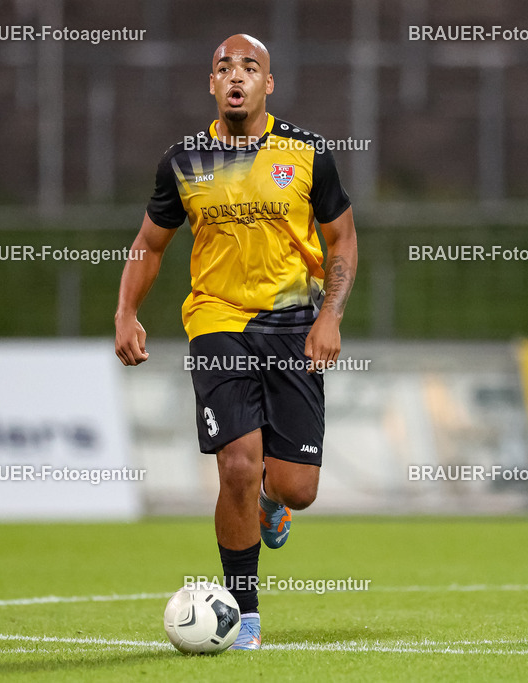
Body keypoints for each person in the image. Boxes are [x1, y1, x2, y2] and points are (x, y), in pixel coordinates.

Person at [114, 33, 358, 651]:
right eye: (224, 66)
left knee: (296, 487)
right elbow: (150, 243)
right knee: (238, 467)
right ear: (212, 84)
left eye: (250, 67)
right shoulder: (186, 160)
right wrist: (126, 311)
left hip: (293, 326)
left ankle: (276, 505)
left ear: (268, 84)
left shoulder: (306, 153)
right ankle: (242, 617)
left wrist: (329, 316)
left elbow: (342, 241)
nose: (236, 75)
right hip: (217, 323)